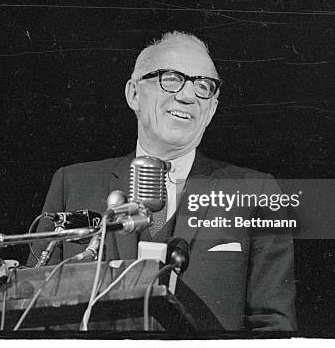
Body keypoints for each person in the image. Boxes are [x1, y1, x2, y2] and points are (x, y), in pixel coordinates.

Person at [31, 31, 297, 331]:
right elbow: (30, 310)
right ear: (134, 93)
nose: (187, 95)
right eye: (170, 78)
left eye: (203, 86)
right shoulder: (73, 184)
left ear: (212, 108)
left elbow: (272, 326)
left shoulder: (254, 191)